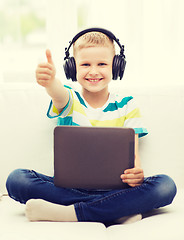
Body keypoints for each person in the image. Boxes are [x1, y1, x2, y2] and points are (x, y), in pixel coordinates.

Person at [6, 28, 177, 225]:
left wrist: (136, 174)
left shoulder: (127, 104)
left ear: (116, 66)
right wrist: (51, 82)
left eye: (102, 64)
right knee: (17, 179)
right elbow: (58, 93)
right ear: (72, 68)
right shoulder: (70, 99)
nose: (93, 71)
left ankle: (72, 213)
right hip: (68, 188)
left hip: (117, 189)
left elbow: (134, 157)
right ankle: (114, 210)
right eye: (85, 64)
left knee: (166, 186)